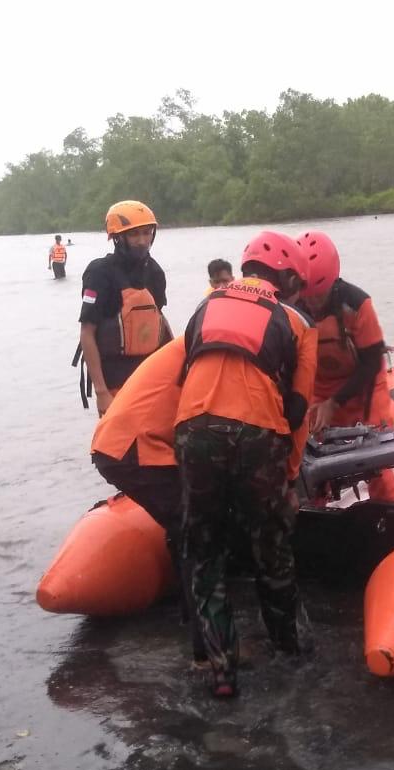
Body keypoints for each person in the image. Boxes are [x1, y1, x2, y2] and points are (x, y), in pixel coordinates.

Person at [174, 231, 317, 697]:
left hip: (194, 431)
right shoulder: (298, 320)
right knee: (271, 548)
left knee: (205, 552)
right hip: (259, 434)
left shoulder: (205, 305)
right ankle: (291, 653)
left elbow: (184, 375)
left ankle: (221, 672)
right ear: (289, 277)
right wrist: (291, 477)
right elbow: (298, 411)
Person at [89, 336, 202, 662]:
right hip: (133, 449)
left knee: (181, 524)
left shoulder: (191, 343)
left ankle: (187, 613)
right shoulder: (205, 351)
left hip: (117, 444)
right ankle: (205, 648)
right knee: (194, 530)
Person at [296, 230, 394, 502]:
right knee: (310, 451)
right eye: (308, 296)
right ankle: (317, 509)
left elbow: (371, 362)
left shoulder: (356, 304)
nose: (312, 303)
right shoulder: (294, 304)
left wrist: (335, 402)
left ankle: (388, 508)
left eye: (319, 296)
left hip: (365, 385)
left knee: (377, 455)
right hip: (320, 386)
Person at [74, 201, 170, 414]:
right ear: (117, 237)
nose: (142, 241)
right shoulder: (100, 273)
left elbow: (159, 322)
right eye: (134, 234)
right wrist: (101, 392)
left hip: (149, 379)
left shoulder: (155, 272)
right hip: (114, 380)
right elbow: (87, 333)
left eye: (147, 233)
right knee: (117, 447)